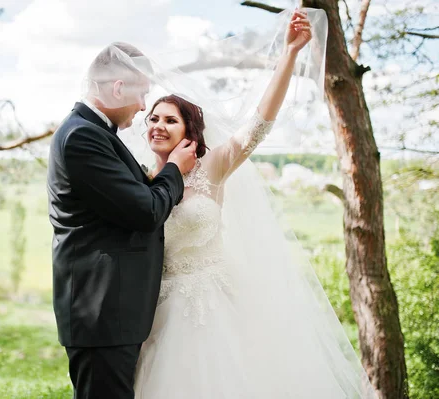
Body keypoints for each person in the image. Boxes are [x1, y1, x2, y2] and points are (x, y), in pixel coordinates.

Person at [133, 9, 378, 398]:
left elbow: (259, 123)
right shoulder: (141, 179)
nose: (158, 125)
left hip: (214, 310)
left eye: (170, 120)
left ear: (190, 131)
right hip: (157, 312)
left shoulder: (211, 168)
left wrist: (290, 55)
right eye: (153, 118)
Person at [46, 42, 197, 399]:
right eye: (142, 94)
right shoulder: (83, 136)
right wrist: (174, 169)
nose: (144, 106)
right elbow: (145, 212)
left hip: (112, 313)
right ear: (118, 89)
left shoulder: (93, 133)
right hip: (102, 313)